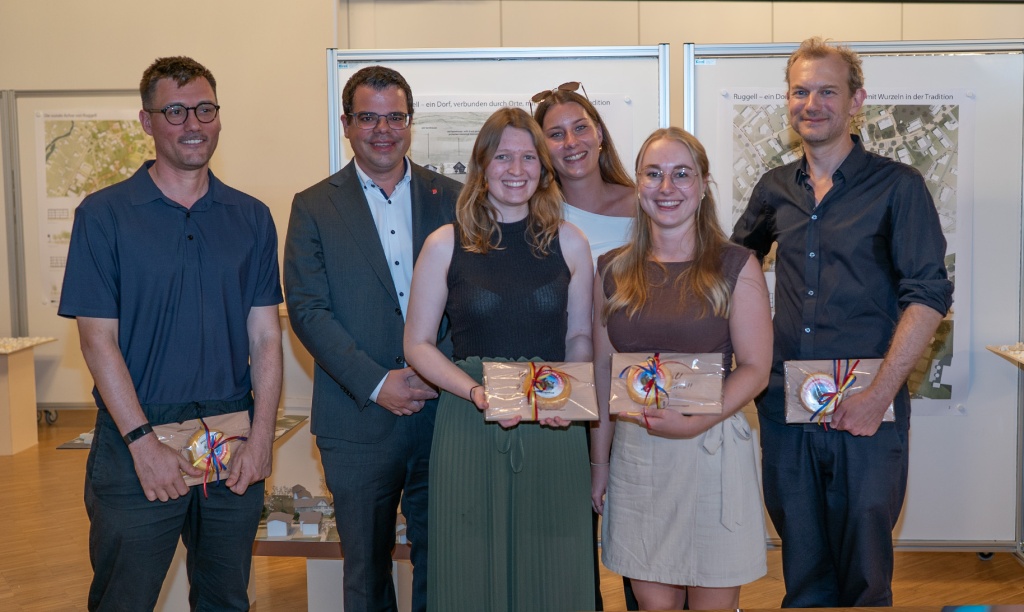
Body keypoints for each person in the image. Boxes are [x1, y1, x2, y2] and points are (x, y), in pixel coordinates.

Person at [732, 37, 953, 607]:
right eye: (800, 92)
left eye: (827, 91)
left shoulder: (899, 186)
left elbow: (929, 294)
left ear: (856, 101)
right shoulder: (774, 189)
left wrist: (879, 396)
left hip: (868, 409)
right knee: (803, 574)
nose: (812, 104)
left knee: (865, 577)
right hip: (786, 408)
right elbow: (733, 271)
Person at [58, 56, 283, 611]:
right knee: (124, 599)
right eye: (176, 111)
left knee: (226, 599)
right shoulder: (104, 215)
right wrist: (143, 445)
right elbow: (97, 341)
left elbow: (265, 339)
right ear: (147, 121)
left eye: (205, 109)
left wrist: (261, 440)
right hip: (138, 438)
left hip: (230, 438)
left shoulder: (251, 217)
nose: (193, 124)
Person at [284, 66, 461, 612]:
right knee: (365, 571)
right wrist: (379, 382)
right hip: (356, 418)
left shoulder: (454, 197)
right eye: (368, 117)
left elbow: (474, 298)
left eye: (395, 117)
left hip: (444, 414)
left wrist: (435, 372)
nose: (383, 130)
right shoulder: (314, 205)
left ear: (410, 122)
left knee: (447, 563)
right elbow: (308, 310)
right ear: (346, 123)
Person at [403, 107, 595, 611]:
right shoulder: (445, 244)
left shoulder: (571, 242)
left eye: (528, 157)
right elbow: (417, 343)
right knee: (469, 566)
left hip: (554, 420)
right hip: (470, 420)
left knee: (554, 566)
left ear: (543, 168)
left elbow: (579, 335)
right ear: (482, 165)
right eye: (503, 157)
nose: (516, 169)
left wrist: (567, 393)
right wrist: (475, 392)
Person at [592, 127, 771, 610]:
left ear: (703, 184)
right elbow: (604, 372)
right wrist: (599, 465)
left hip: (711, 450)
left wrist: (695, 421)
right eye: (653, 174)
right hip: (637, 456)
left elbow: (756, 368)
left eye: (681, 174)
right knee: (655, 606)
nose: (666, 187)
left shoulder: (737, 266)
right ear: (638, 184)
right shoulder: (611, 270)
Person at [532, 81, 637, 610]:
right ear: (541, 147)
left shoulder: (644, 205)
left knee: (644, 548)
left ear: (599, 135)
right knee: (568, 547)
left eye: (580, 128)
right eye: (556, 134)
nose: (571, 142)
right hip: (562, 398)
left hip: (636, 397)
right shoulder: (533, 216)